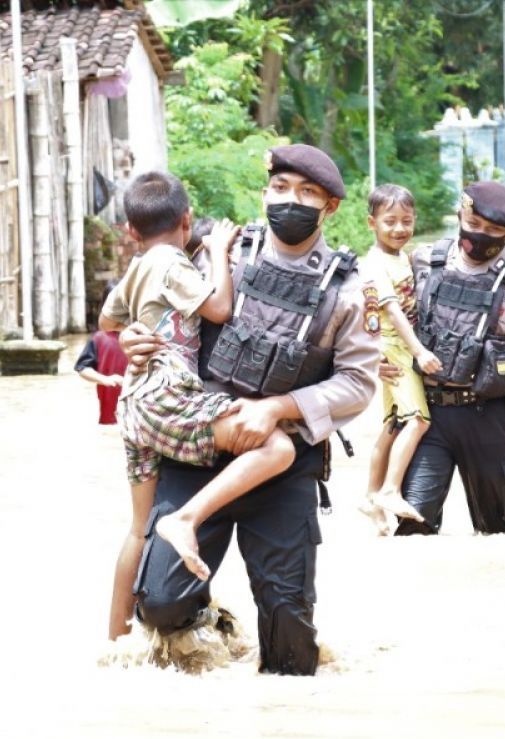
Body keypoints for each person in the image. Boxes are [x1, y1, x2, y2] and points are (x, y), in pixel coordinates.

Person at [118, 144, 377, 675]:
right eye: (280, 188)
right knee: (162, 607)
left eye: (307, 193)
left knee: (289, 645)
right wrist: (133, 337)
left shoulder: (349, 289)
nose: (290, 201)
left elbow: (359, 382)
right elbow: (151, 310)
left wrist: (281, 405)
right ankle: (214, 625)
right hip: (197, 453)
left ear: (329, 207)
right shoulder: (221, 254)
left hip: (283, 466)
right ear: (264, 193)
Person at [99, 171, 293, 639]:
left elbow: (107, 318)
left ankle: (116, 642)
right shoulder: (170, 261)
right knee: (278, 446)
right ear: (187, 221)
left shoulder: (139, 264)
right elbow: (221, 309)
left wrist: (130, 331)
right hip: (168, 395)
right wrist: (219, 254)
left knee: (138, 528)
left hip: (135, 406)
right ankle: (186, 519)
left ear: (130, 231)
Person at [382, 181, 505, 537]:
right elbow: (378, 311)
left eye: (493, 231)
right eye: (473, 224)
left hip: (487, 416)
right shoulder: (424, 261)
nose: (480, 235)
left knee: (500, 533)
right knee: (411, 528)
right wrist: (374, 359)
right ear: (460, 214)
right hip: (428, 417)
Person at [358, 184, 441, 534]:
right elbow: (391, 310)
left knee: (392, 424)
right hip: (396, 348)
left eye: (406, 221)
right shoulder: (375, 263)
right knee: (419, 420)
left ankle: (370, 495)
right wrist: (419, 352)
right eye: (389, 221)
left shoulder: (402, 257)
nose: (399, 229)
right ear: (371, 223)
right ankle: (391, 489)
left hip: (393, 347)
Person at [74, 328, 126, 425]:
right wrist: (105, 379)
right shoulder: (99, 338)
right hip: (111, 410)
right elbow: (82, 368)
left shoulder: (146, 336)